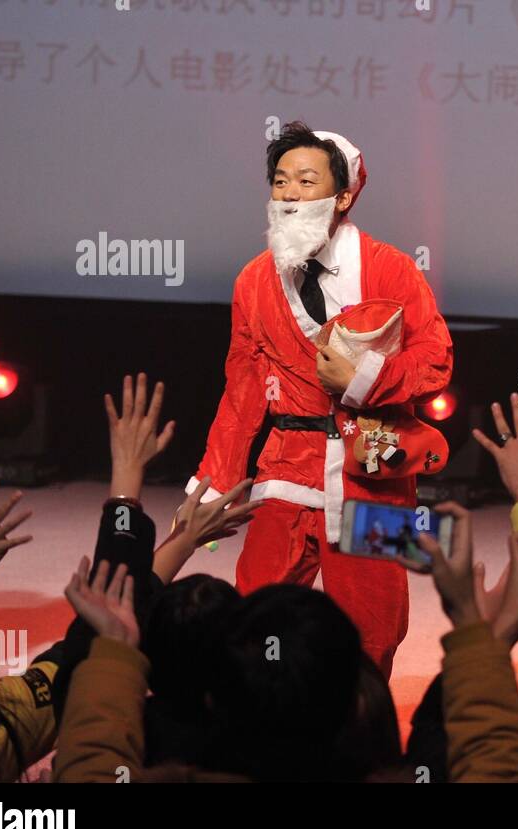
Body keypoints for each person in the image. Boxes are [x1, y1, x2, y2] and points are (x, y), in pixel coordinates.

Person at [187, 121, 453, 676]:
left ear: (344, 195)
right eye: (280, 181)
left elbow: (436, 361)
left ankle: (361, 749)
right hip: (285, 470)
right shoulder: (253, 282)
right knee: (254, 620)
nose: (288, 194)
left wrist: (364, 377)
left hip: (375, 472)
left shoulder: (392, 268)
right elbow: (240, 393)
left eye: (306, 181)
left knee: (375, 631)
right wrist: (214, 483)